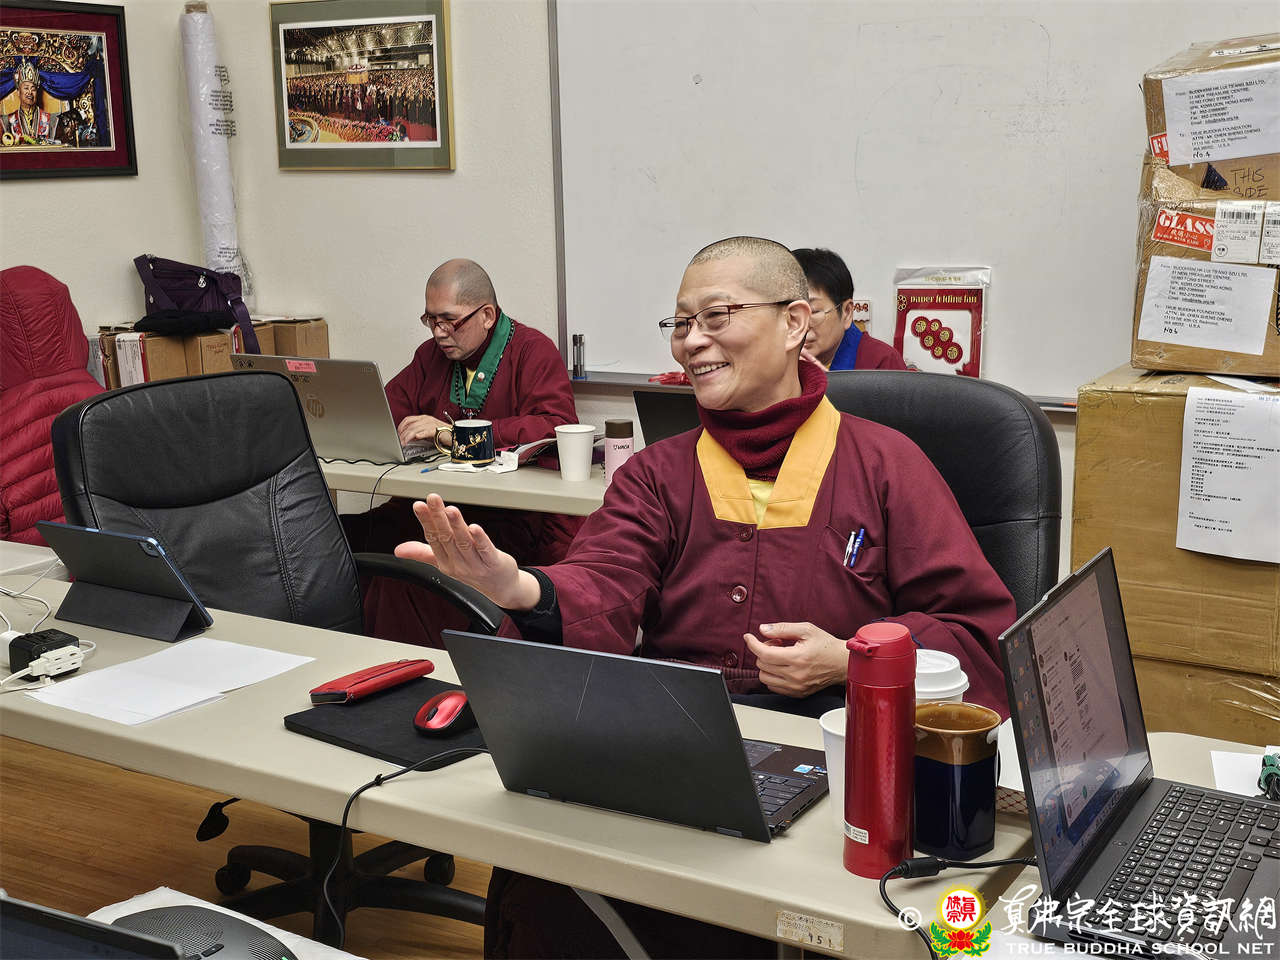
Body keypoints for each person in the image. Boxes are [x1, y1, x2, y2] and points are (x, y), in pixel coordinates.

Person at [396, 237, 1016, 958]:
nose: (692, 342)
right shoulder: (658, 473)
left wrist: (852, 660)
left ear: (795, 323)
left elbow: (973, 629)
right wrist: (519, 586)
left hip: (841, 761)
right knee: (552, 892)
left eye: (717, 317)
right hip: (681, 747)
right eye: (681, 323)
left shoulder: (886, 464)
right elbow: (605, 577)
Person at [346, 258, 583, 647]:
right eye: (431, 320)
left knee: (403, 579)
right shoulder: (430, 356)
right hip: (432, 504)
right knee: (342, 538)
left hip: (504, 516)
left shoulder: (532, 351)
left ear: (487, 315)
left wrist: (451, 434)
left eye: (449, 321)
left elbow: (555, 426)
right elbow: (385, 411)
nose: (439, 333)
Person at [792, 246, 907, 371]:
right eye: (790, 313)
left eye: (813, 311)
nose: (800, 326)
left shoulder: (882, 363)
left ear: (846, 312)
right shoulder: (779, 364)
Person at [5, 60, 59, 144]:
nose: (30, 92)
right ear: (18, 92)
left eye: (33, 89)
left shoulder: (52, 120)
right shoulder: (6, 121)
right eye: (26, 88)